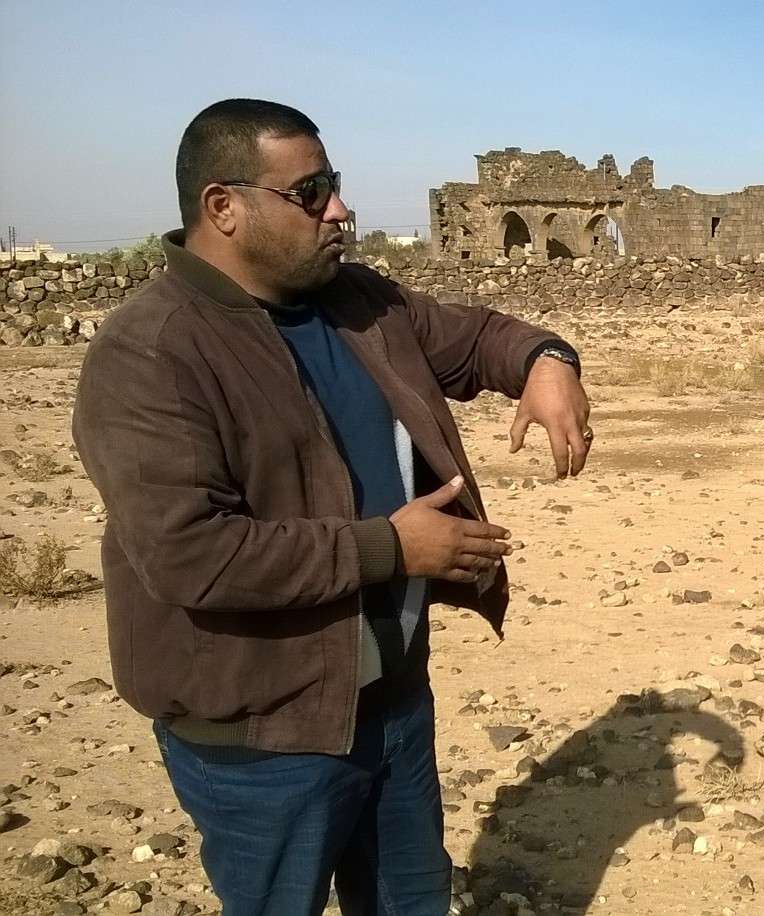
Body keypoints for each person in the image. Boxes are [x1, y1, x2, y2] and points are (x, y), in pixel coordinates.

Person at [72, 98, 592, 916]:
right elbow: (191, 555)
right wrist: (393, 550)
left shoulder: (356, 302)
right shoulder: (151, 351)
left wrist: (548, 359)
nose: (339, 209)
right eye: (309, 192)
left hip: (391, 706)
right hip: (261, 739)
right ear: (224, 207)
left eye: (334, 184)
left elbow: (476, 335)